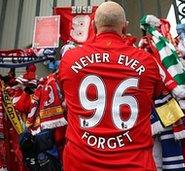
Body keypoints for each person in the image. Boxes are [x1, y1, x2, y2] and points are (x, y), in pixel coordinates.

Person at [59, 2, 165, 170]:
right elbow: (157, 93)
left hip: (80, 164)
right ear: (125, 27)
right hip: (135, 164)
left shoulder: (69, 60)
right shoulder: (147, 62)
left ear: (93, 26)